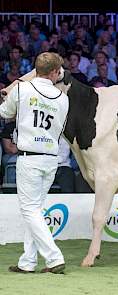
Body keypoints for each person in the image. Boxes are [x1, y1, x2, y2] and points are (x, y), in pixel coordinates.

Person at [0, 52, 69, 274]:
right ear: (54, 72)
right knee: (35, 211)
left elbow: (5, 112)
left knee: (30, 210)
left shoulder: (21, 89)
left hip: (29, 157)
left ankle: (54, 257)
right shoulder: (63, 98)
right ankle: (28, 262)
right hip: (51, 158)